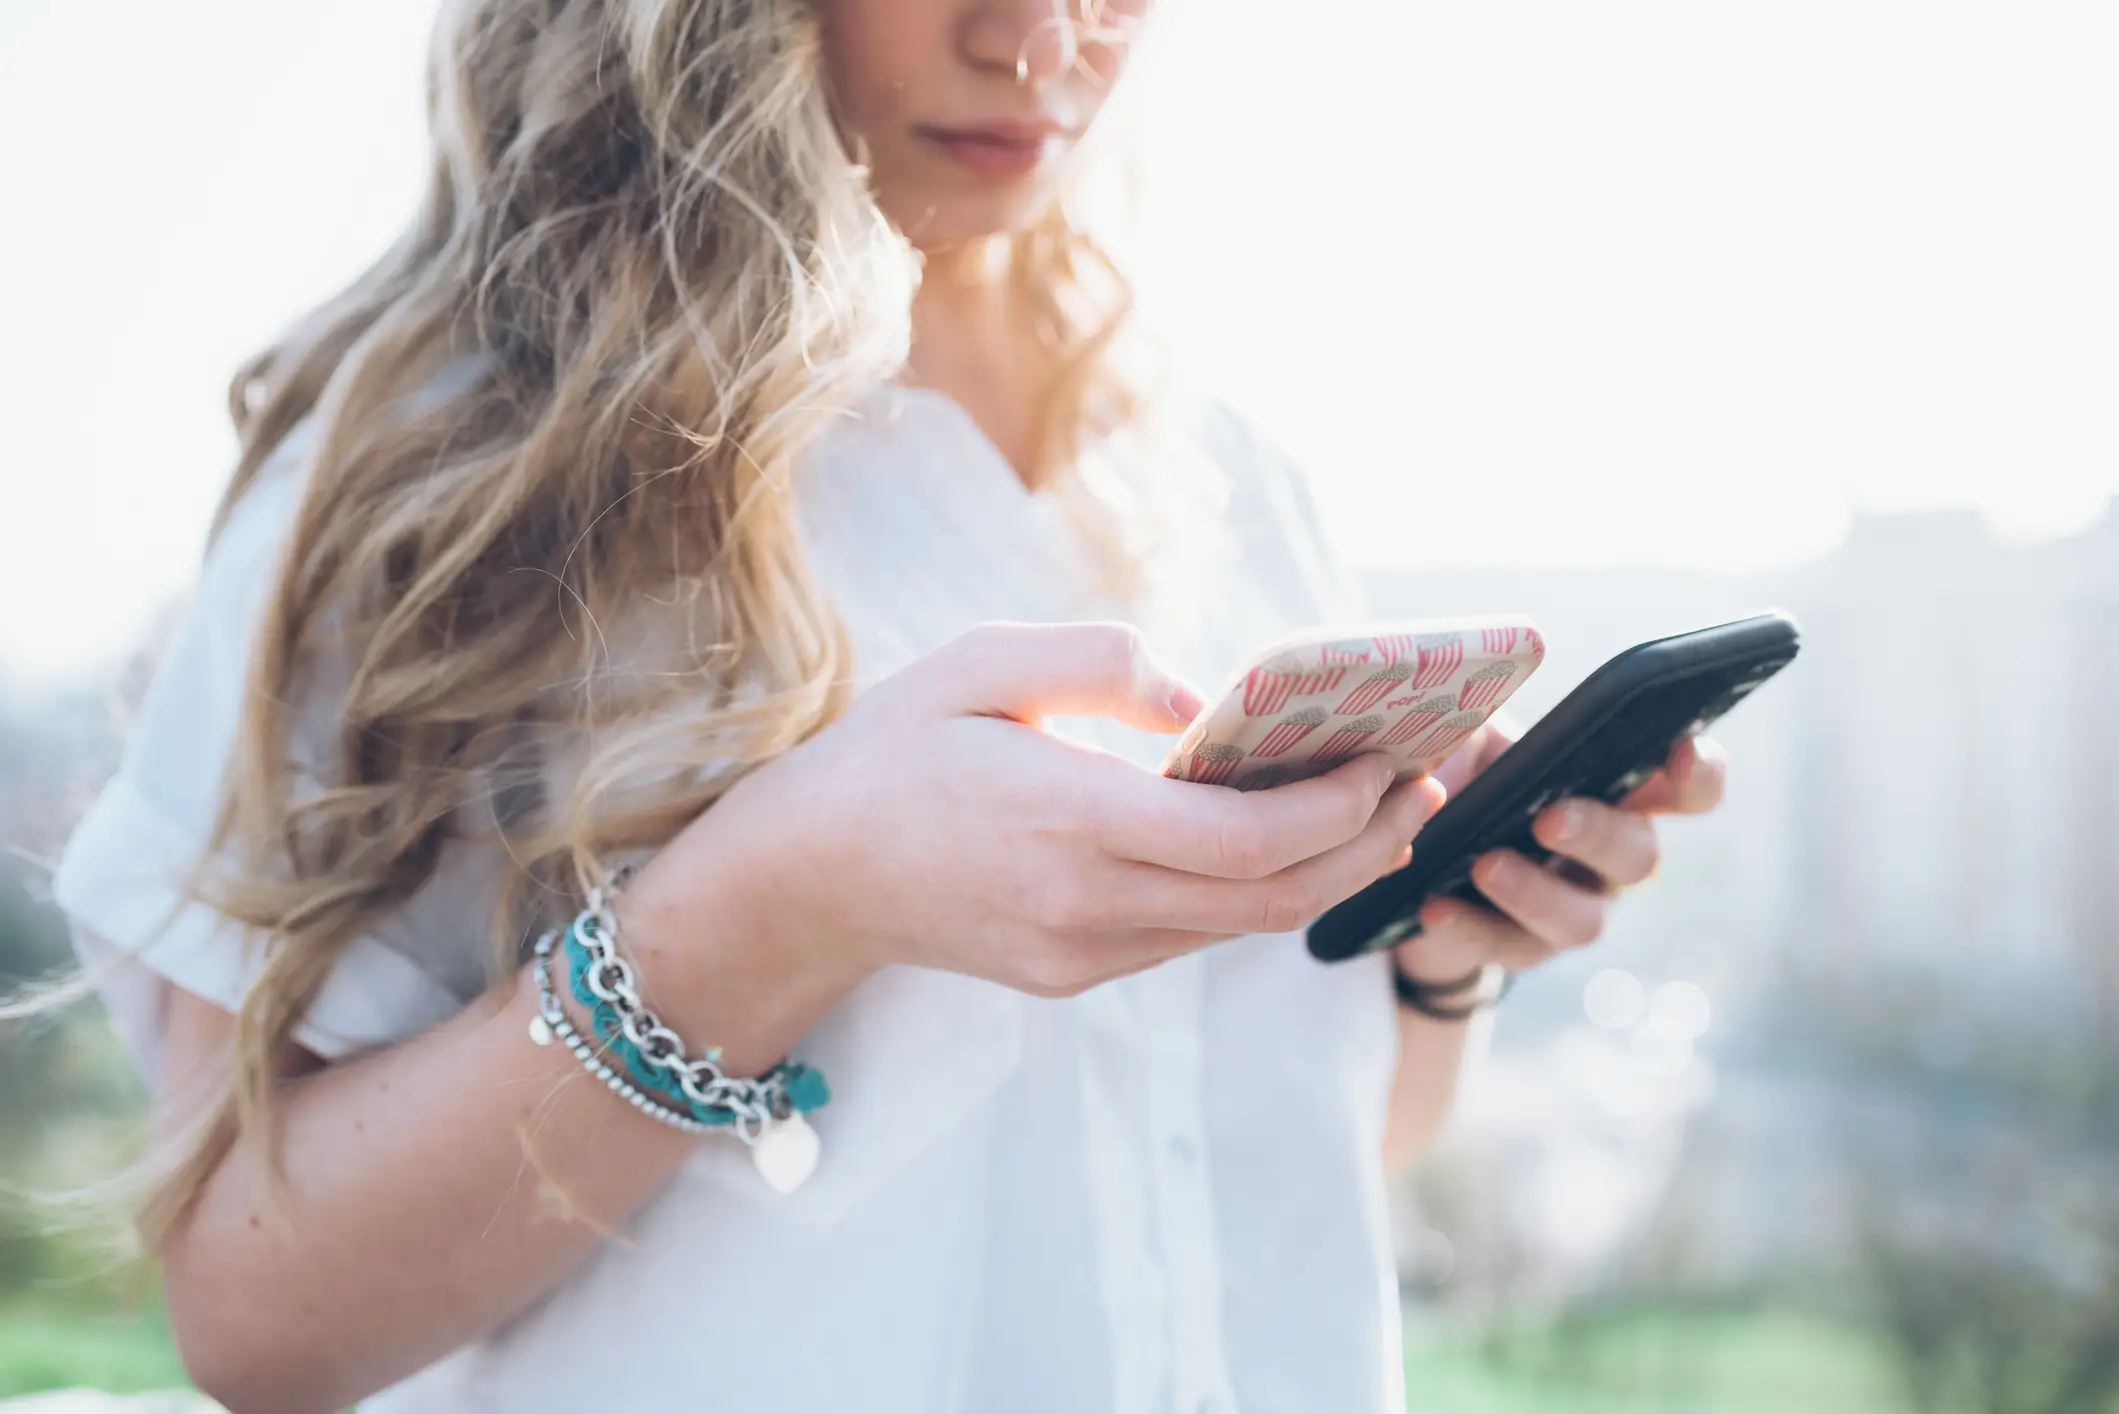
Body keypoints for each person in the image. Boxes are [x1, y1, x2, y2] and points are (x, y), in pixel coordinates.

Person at [43, 2, 1726, 1411]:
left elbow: (1288, 1149)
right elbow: (254, 1315)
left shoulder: (1224, 479)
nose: (1041, 37)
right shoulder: (456, 476)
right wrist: (770, 903)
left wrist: (1435, 953)